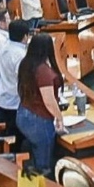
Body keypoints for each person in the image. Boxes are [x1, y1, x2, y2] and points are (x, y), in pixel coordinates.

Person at [15, 32, 69, 178]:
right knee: (44, 165)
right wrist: (59, 118)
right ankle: (42, 185)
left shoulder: (26, 63)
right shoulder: (43, 71)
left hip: (23, 113)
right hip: (38, 121)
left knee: (36, 151)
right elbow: (49, 101)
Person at [0, 19, 33, 149]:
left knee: (10, 137)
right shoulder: (20, 55)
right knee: (18, 141)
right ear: (25, 37)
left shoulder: (4, 47)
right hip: (15, 105)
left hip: (3, 100)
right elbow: (25, 80)